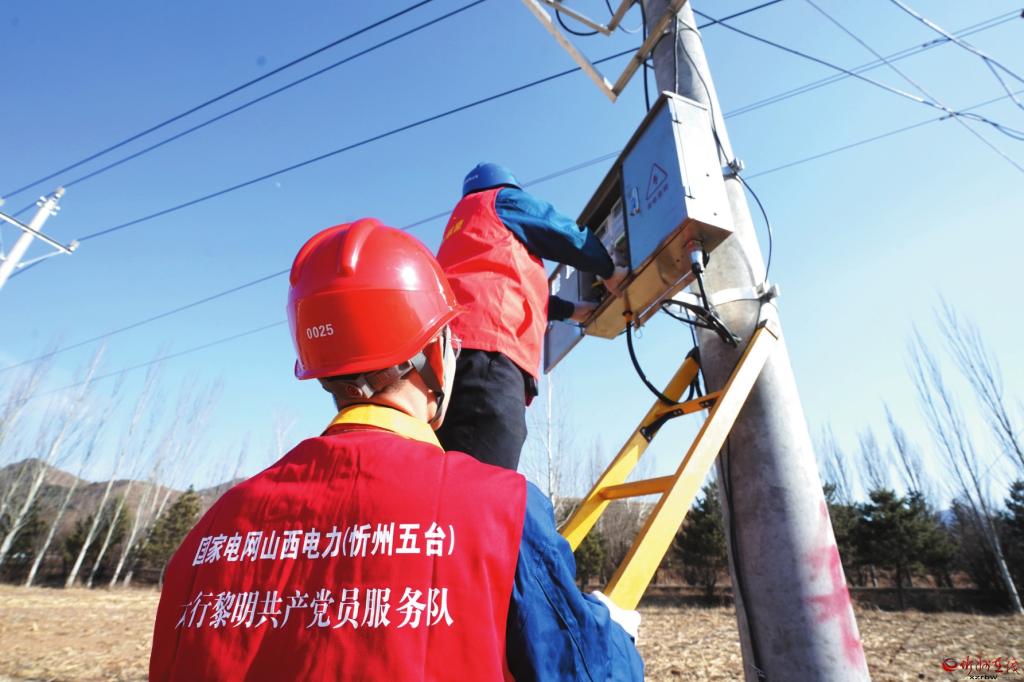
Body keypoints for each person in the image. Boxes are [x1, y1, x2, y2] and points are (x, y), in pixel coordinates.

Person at [149, 219, 643, 681]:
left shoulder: (207, 535)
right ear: (435, 355)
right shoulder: (503, 510)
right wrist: (616, 632)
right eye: (452, 343)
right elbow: (585, 668)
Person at [435, 162, 627, 472]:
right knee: (484, 479)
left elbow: (506, 287)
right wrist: (607, 269)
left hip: (448, 362)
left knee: (450, 470)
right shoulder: (500, 199)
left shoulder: (460, 227)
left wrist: (571, 310)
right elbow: (556, 228)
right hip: (490, 356)